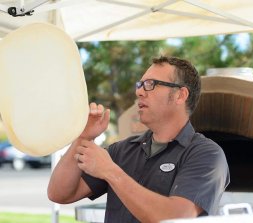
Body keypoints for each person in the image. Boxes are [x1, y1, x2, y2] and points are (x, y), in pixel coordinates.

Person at [47, 56, 230, 223]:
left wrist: (111, 172)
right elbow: (59, 193)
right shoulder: (122, 150)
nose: (140, 92)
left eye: (150, 84)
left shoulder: (206, 154)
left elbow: (177, 217)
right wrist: (84, 137)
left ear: (180, 95)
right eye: (140, 85)